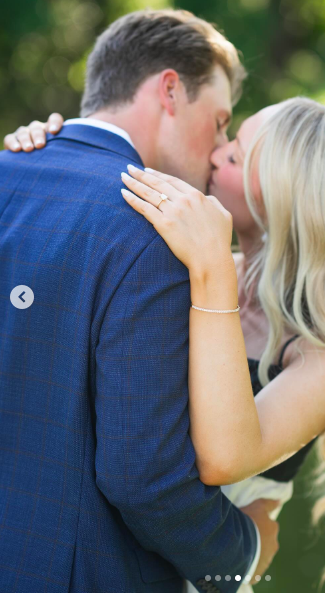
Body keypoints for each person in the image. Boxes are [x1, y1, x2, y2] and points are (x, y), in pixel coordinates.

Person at [8, 94, 325, 593]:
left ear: (287, 197)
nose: (218, 151)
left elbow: (223, 456)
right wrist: (56, 146)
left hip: (203, 571)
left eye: (238, 154)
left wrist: (212, 269)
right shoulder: (193, 265)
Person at [0, 9, 280, 593]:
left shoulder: (11, 171)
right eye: (222, 122)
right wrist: (241, 556)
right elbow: (144, 477)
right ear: (171, 90)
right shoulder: (155, 233)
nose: (221, 148)